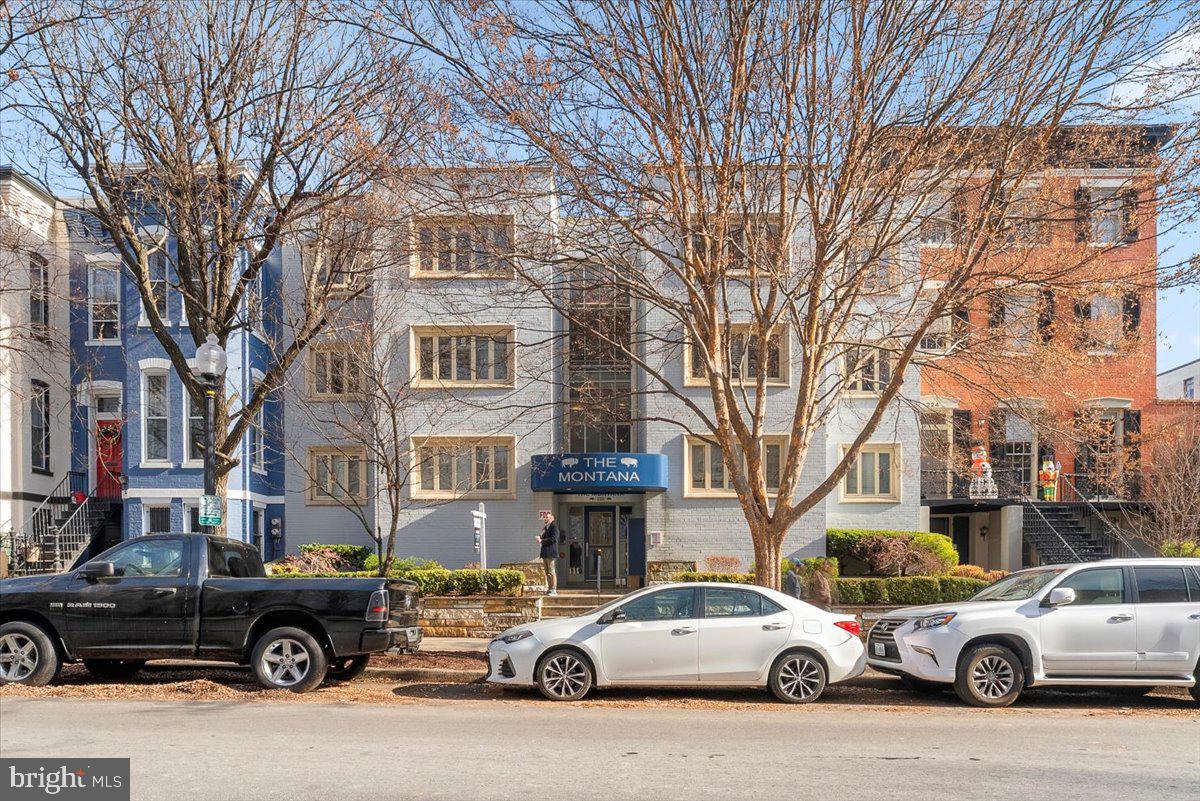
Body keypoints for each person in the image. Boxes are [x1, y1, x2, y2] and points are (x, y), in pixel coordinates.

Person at [536, 513, 561, 596]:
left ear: (552, 519)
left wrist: (542, 541)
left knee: (551, 571)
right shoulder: (545, 528)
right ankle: (550, 589)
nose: (545, 519)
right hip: (545, 553)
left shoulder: (554, 527)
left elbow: (554, 539)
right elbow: (543, 537)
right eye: (545, 517)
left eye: (547, 517)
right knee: (547, 572)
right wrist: (539, 538)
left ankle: (554, 589)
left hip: (550, 553)